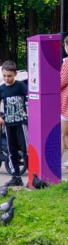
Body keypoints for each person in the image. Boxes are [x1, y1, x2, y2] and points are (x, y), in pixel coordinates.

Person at [0, 60, 28, 185]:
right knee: (12, 150)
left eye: (9, 76)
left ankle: (33, 175)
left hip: (21, 123)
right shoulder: (1, 89)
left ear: (15, 74)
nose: (7, 78)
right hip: (8, 124)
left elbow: (29, 100)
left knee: (25, 150)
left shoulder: (20, 86)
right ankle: (16, 176)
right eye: (4, 76)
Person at [60, 36, 68, 167]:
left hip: (66, 104)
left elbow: (61, 82)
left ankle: (53, 163)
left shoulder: (67, 62)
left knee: (61, 134)